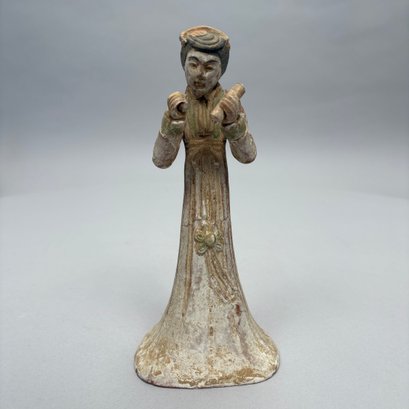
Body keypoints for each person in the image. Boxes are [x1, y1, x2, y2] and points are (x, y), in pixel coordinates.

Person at [135, 26, 279, 388]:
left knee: (219, 258)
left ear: (221, 70)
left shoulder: (228, 104)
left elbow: (248, 155)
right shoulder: (178, 107)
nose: (200, 73)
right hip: (193, 198)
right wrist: (171, 124)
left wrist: (234, 122)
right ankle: (186, 329)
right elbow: (160, 160)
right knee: (193, 264)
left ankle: (231, 335)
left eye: (210, 66)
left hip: (218, 198)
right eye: (193, 63)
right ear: (183, 64)